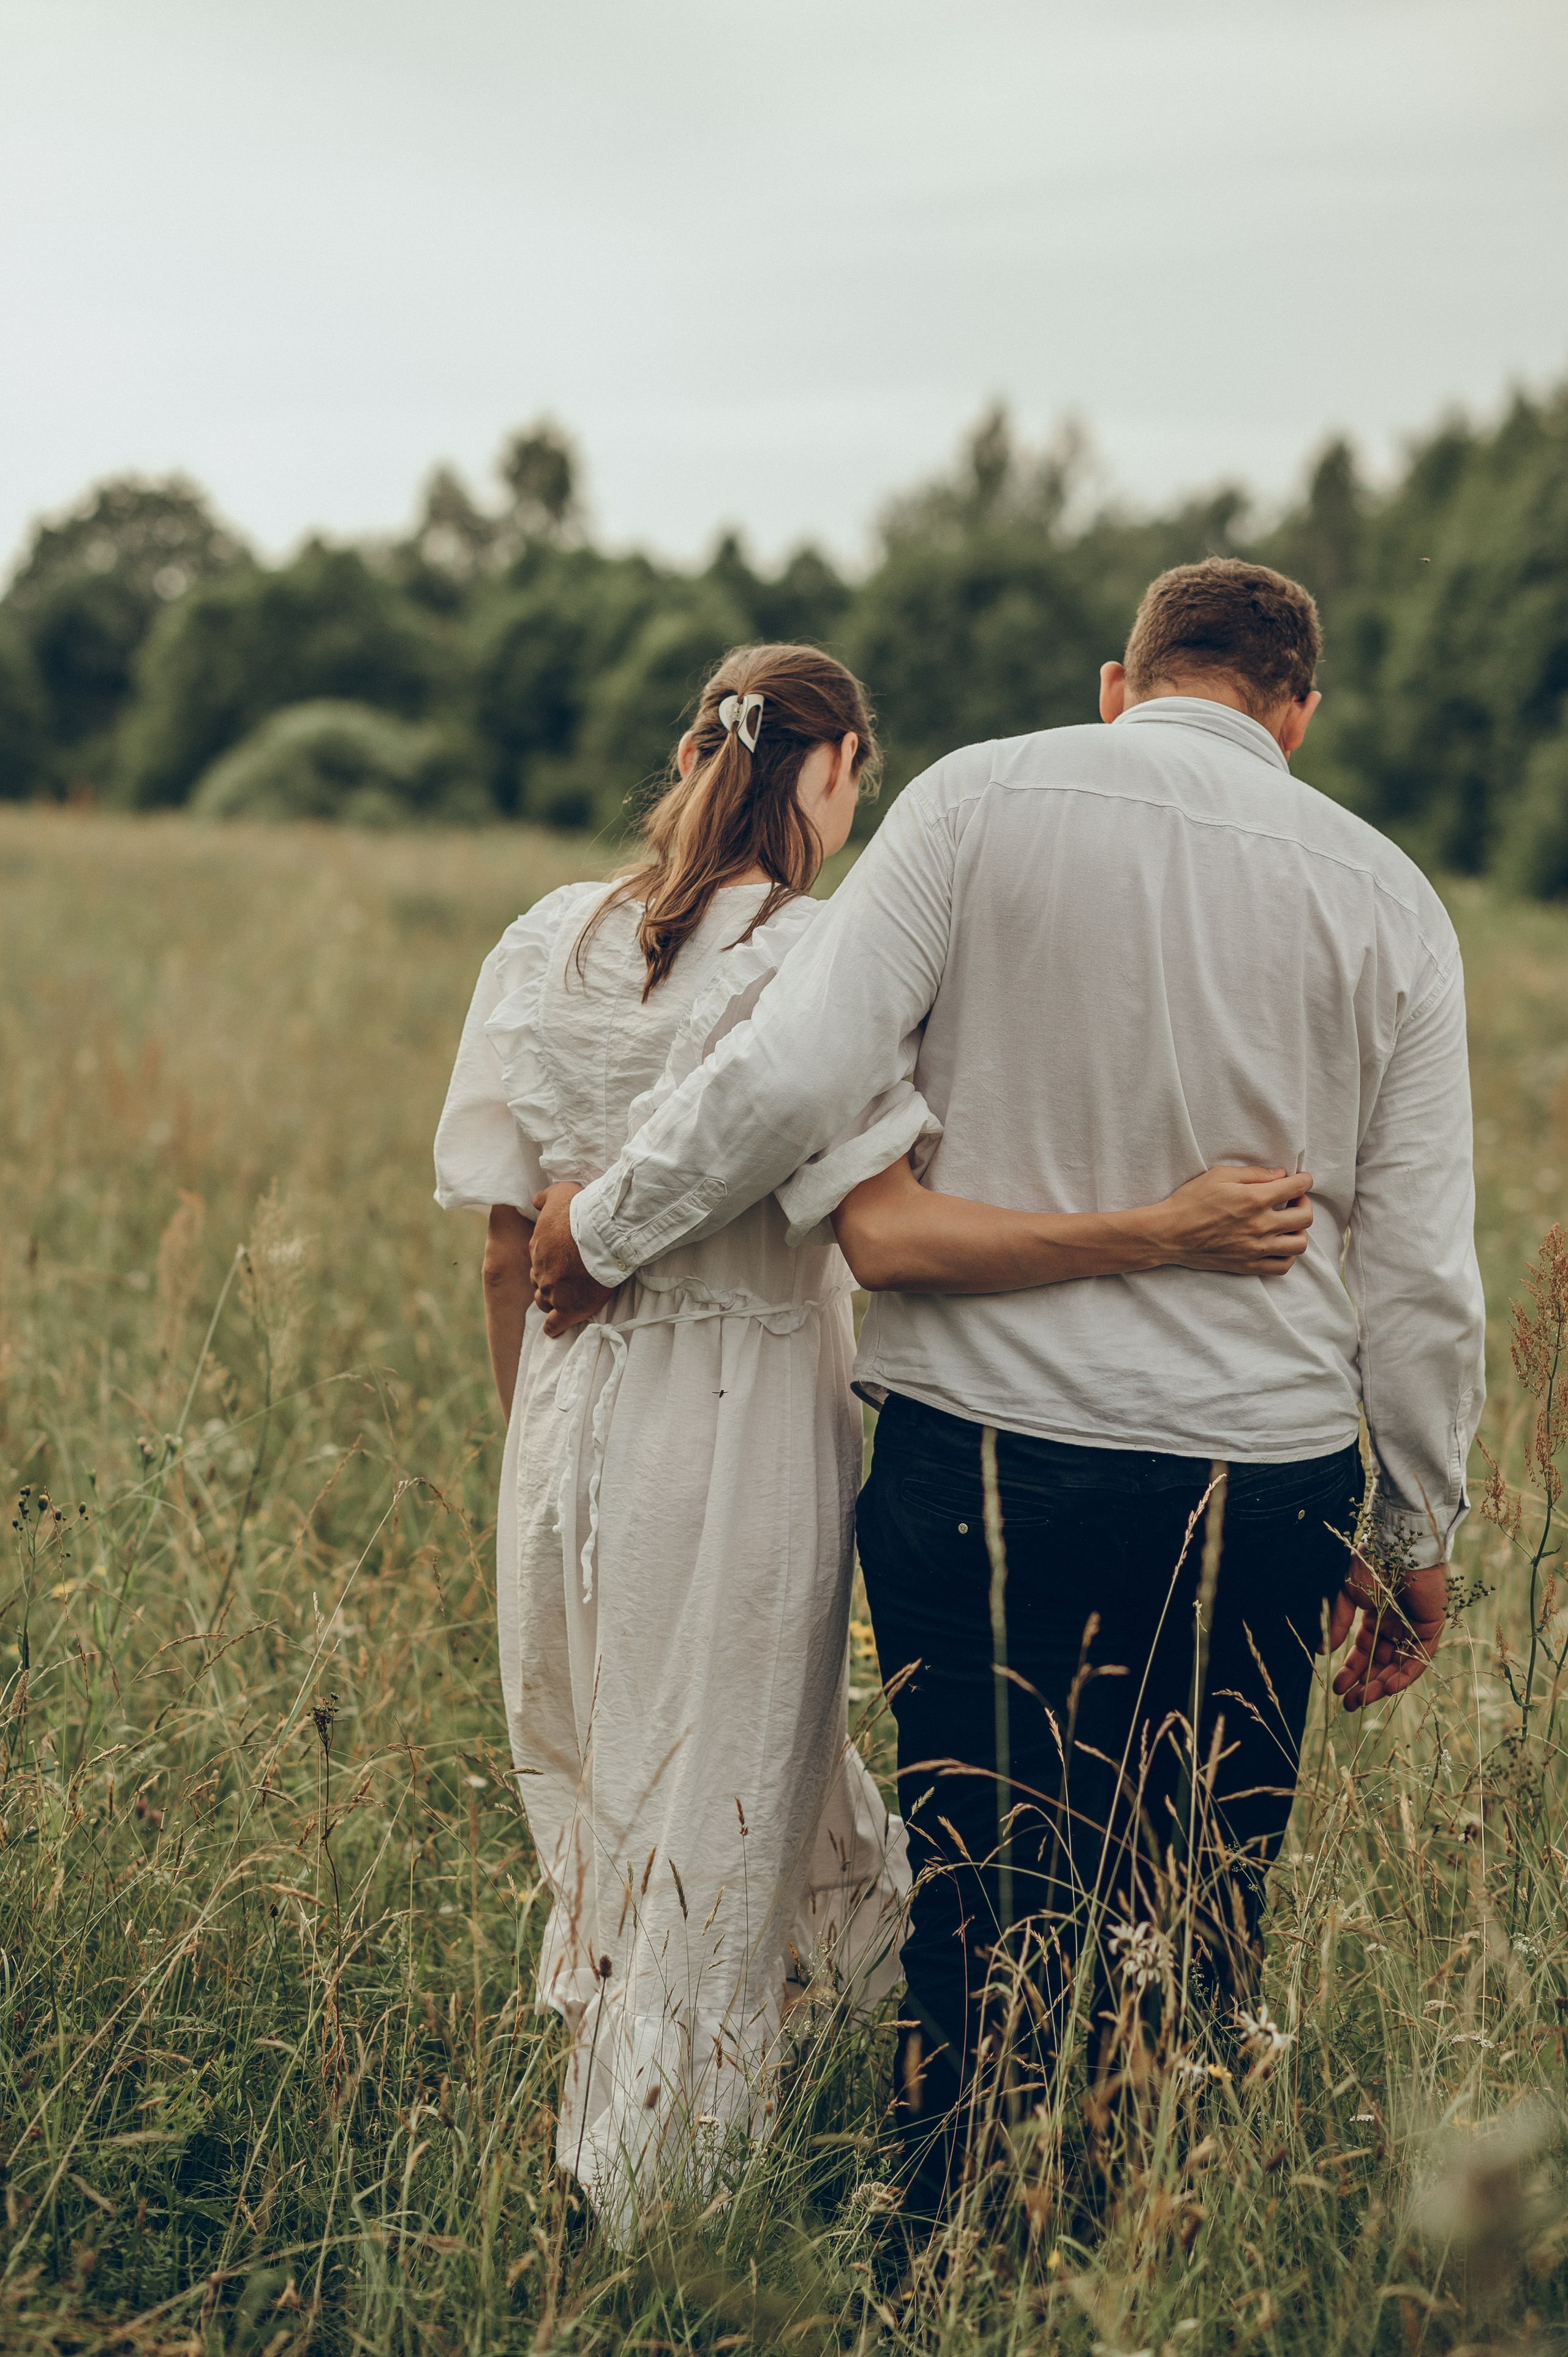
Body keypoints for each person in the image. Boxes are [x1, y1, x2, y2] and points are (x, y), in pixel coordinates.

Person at [529, 564, 1488, 2211]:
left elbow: (800, 1070)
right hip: (1255, 1484)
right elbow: (1418, 1271)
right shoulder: (1392, 897)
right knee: (1195, 1901)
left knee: (982, 1891)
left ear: (1123, 681)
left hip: (984, 1465)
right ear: (1297, 715)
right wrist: (1414, 1522)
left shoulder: (979, 796)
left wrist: (611, 1226)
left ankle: (947, 2260)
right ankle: (1141, 2253)